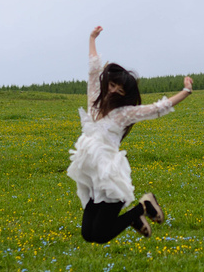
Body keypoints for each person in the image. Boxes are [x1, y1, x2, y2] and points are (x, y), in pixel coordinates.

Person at [67, 26, 193, 244]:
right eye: (113, 84)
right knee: (89, 234)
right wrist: (92, 38)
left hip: (110, 176)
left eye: (121, 89)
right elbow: (94, 68)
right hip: (90, 175)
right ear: (108, 83)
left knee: (100, 234)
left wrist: (186, 92)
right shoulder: (94, 101)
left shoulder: (124, 114)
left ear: (126, 94)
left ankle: (143, 207)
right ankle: (137, 216)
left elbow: (157, 108)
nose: (115, 89)